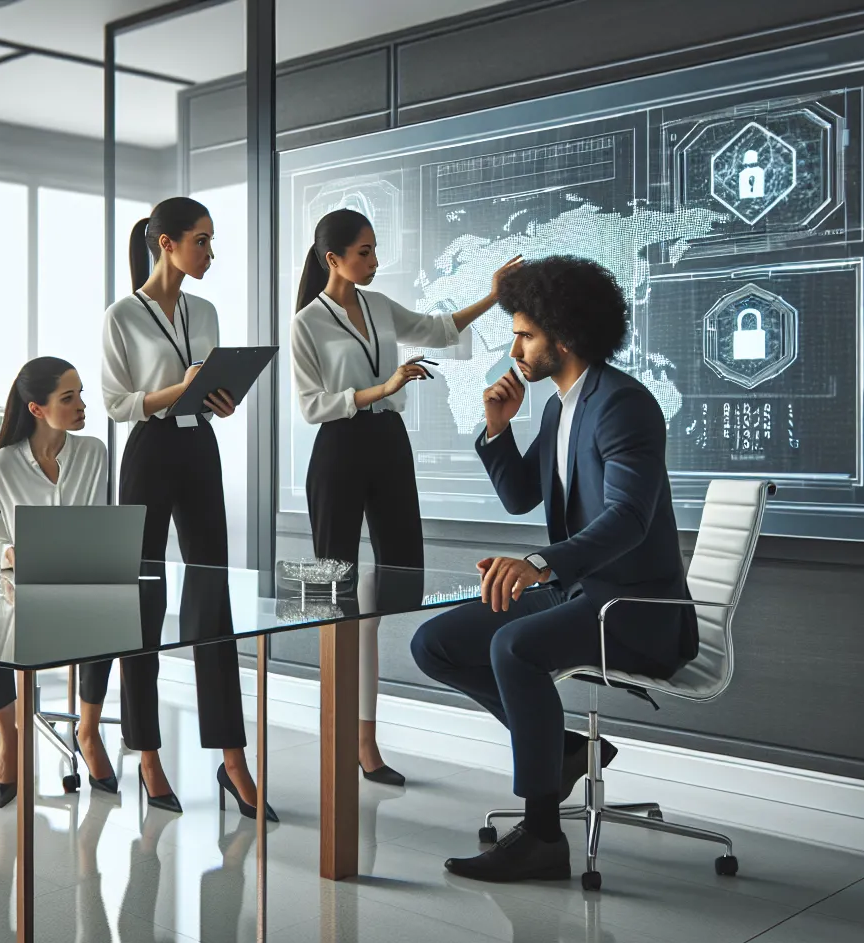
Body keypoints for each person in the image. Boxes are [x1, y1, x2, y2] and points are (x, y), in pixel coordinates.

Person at [408, 256, 697, 883]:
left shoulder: (623, 405)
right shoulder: (560, 408)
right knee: (437, 642)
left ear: (562, 337)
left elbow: (628, 519)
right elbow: (520, 497)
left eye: (524, 334)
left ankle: (542, 836)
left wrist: (538, 564)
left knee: (514, 645)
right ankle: (563, 751)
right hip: (578, 593)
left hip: (635, 609)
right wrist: (495, 429)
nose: (515, 346)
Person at [290, 208, 520, 786]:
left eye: (375, 249)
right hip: (337, 448)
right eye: (365, 252)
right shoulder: (306, 324)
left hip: (388, 445)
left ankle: (362, 734)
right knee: (328, 598)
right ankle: (351, 740)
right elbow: (312, 406)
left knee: (399, 580)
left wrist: (493, 296)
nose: (374, 261)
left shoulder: (377, 306)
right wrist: (383, 387)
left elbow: (440, 328)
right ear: (332, 259)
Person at [101, 196, 270, 818]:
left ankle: (231, 758)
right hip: (148, 453)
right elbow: (120, 403)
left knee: (211, 598)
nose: (210, 251)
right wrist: (180, 390)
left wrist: (218, 398)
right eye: (202, 240)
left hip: (201, 447)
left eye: (212, 240)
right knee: (142, 601)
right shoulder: (123, 315)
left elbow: (209, 393)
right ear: (165, 242)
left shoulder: (206, 310)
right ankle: (147, 755)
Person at [0, 356, 115, 807]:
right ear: (37, 409)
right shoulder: (1, 465)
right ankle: (8, 737)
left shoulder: (93, 453)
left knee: (109, 610)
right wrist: (16, 553)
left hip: (78, 580)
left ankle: (88, 732)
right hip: (19, 586)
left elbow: (95, 525)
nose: (81, 405)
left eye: (81, 395)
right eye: (68, 398)